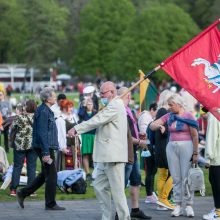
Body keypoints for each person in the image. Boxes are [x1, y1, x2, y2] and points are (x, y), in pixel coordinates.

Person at [68, 81, 130, 220]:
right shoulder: (111, 104)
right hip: (106, 155)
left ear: (112, 92)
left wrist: (77, 128)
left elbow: (97, 120)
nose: (100, 96)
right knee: (99, 186)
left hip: (113, 155)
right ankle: (106, 216)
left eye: (103, 93)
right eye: (100, 93)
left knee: (117, 192)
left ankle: (124, 217)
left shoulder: (116, 104)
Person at [149, 93, 199, 217]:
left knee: (186, 177)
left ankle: (188, 205)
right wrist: (158, 125)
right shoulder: (168, 115)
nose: (169, 107)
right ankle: (177, 205)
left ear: (178, 104)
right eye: (168, 105)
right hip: (171, 147)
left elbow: (194, 135)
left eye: (171, 105)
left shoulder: (189, 116)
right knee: (176, 178)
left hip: (186, 146)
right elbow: (152, 125)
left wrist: (196, 152)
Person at [16, 87, 65, 211]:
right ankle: (50, 203)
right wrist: (45, 152)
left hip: (46, 146)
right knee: (52, 175)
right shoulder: (43, 111)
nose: (55, 97)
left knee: (45, 174)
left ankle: (23, 193)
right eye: (53, 96)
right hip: (45, 147)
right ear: (48, 98)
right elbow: (42, 133)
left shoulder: (46, 110)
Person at [118, 86, 151, 220]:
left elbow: (132, 130)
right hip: (125, 153)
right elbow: (124, 136)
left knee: (136, 181)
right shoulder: (120, 112)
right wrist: (139, 141)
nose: (130, 97)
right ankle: (118, 212)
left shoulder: (129, 111)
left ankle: (135, 209)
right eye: (128, 95)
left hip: (133, 152)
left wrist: (140, 135)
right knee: (121, 184)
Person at [10, 100, 38, 196]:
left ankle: (13, 189)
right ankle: (31, 190)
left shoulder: (20, 117)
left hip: (20, 145)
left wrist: (20, 114)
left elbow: (13, 127)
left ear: (27, 107)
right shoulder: (37, 117)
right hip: (33, 145)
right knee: (32, 167)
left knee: (17, 167)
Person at [153, 90, 174, 211]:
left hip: (160, 146)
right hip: (165, 146)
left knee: (162, 175)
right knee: (174, 174)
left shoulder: (160, 111)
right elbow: (164, 129)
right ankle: (163, 199)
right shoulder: (164, 111)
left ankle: (161, 202)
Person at [138, 103, 158, 204]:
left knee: (151, 171)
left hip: (147, 146)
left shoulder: (147, 116)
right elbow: (143, 133)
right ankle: (149, 194)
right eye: (156, 112)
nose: (155, 115)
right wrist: (146, 147)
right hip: (147, 146)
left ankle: (151, 193)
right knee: (150, 171)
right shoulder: (146, 117)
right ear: (152, 109)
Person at [203, 112, 220, 220]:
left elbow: (211, 137)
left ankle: (218, 211)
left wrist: (208, 158)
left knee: (216, 182)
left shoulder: (214, 115)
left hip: (217, 157)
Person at [55, 99, 78, 171]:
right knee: (66, 165)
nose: (71, 109)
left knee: (75, 163)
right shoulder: (60, 120)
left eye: (71, 107)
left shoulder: (74, 117)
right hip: (66, 145)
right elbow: (59, 135)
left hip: (75, 144)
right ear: (64, 108)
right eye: (69, 107)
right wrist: (62, 147)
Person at [78, 97, 97, 180]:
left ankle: (95, 173)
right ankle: (87, 172)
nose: (89, 106)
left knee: (94, 154)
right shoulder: (83, 112)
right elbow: (80, 114)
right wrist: (83, 105)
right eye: (88, 104)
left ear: (93, 105)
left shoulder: (95, 113)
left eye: (91, 104)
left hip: (93, 135)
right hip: (85, 135)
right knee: (85, 154)